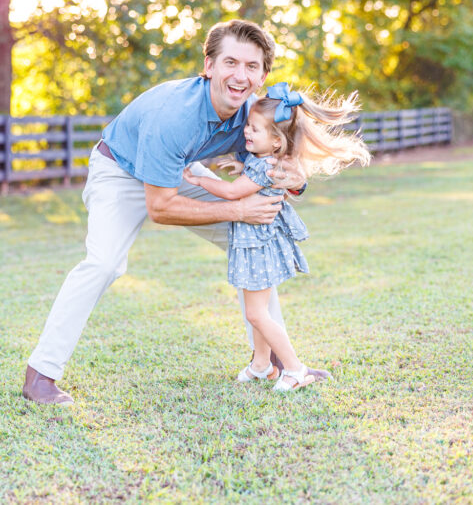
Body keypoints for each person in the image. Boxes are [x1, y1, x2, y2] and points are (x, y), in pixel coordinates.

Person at [23, 20, 313, 405]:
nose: (239, 75)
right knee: (104, 263)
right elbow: (160, 207)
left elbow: (267, 171)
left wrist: (297, 183)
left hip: (181, 171)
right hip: (120, 170)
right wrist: (238, 208)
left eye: (251, 66)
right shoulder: (173, 115)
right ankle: (41, 375)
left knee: (251, 238)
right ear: (208, 65)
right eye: (230, 62)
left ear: (263, 75)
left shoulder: (254, 115)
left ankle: (275, 360)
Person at [181, 82, 371, 391]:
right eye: (248, 126)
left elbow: (232, 191)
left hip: (257, 246)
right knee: (258, 309)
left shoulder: (266, 166)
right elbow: (251, 173)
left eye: (254, 129)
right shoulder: (262, 160)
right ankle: (261, 365)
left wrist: (198, 180)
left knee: (256, 313)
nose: (246, 133)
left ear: (276, 140)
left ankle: (296, 370)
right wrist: (241, 164)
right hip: (254, 244)